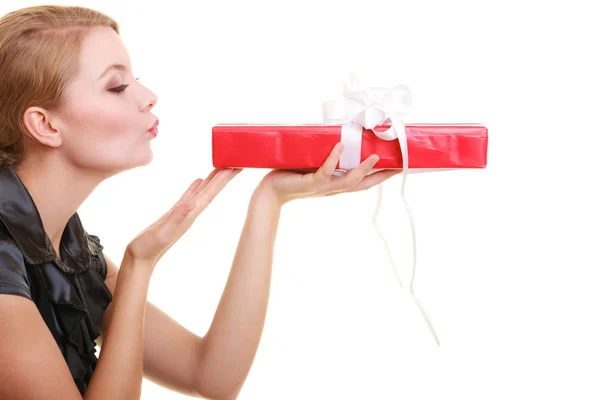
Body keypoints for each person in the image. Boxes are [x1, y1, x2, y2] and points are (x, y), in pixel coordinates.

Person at [0, 5, 399, 400]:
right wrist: (139, 265)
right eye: (116, 86)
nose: (149, 97)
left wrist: (270, 199)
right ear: (46, 125)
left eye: (135, 80)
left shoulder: (67, 244)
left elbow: (209, 376)